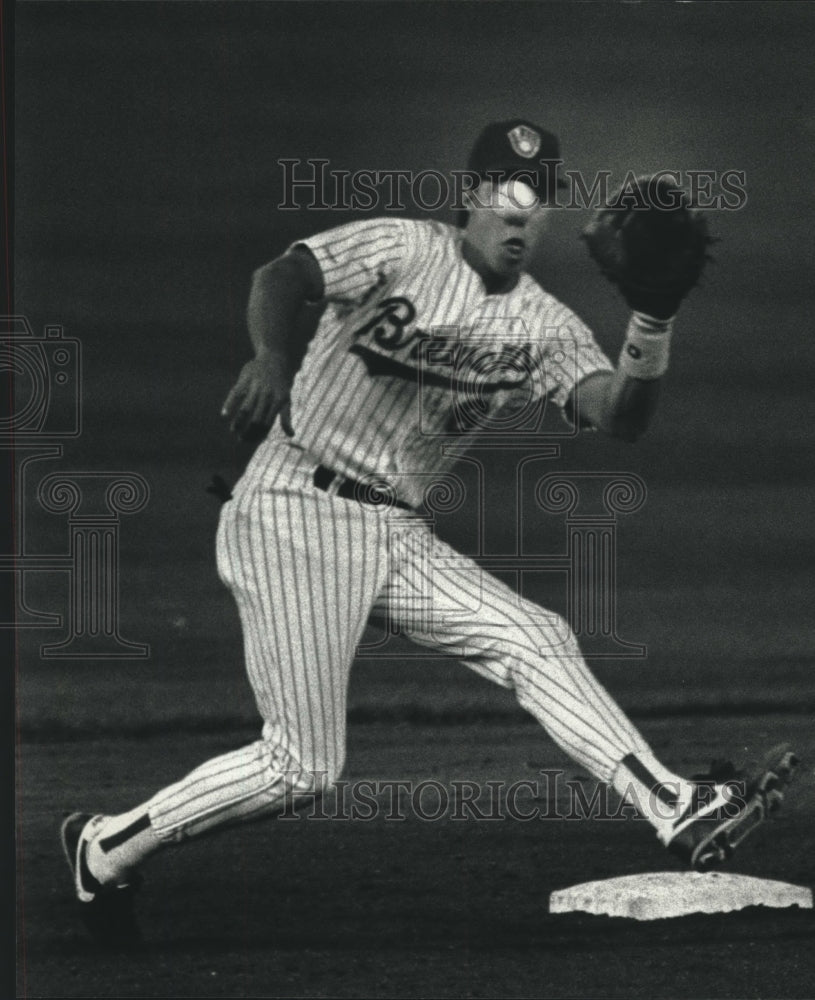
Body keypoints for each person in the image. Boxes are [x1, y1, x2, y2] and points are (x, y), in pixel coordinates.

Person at [61, 119, 796, 947]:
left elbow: (618, 417)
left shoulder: (545, 325)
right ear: (473, 195)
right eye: (510, 192)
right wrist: (269, 359)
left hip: (392, 533)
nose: (524, 212)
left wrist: (652, 322)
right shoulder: (399, 247)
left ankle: (675, 804)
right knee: (301, 768)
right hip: (292, 510)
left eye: (541, 197)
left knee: (534, 637)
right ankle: (105, 845)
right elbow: (282, 275)